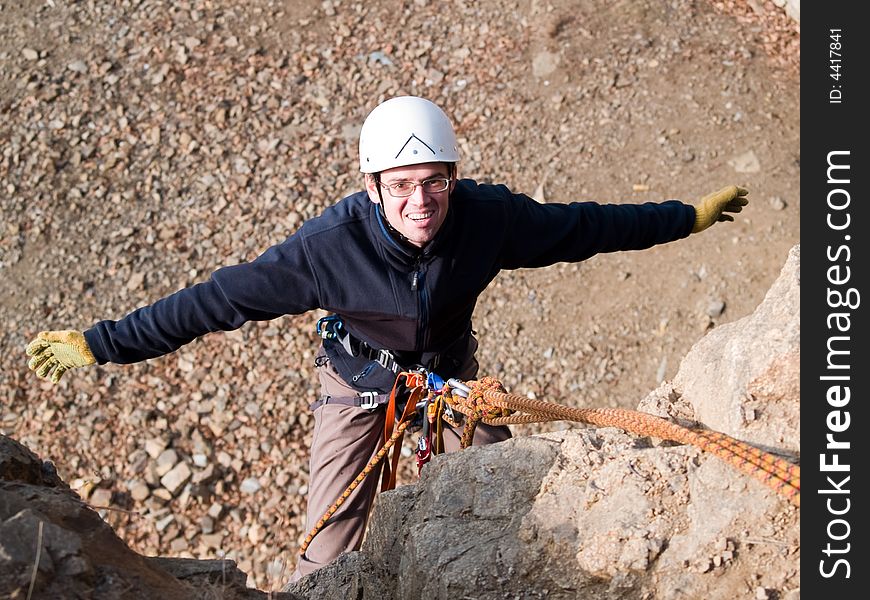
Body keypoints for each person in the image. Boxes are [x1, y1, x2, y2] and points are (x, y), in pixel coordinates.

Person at [24, 95, 749, 581]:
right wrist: (103, 342)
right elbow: (214, 301)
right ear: (371, 187)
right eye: (400, 186)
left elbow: (588, 227)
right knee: (329, 555)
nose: (419, 203)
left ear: (454, 179)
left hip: (449, 381)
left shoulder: (487, 219)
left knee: (519, 489)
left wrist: (684, 217)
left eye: (433, 183)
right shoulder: (324, 250)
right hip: (356, 388)